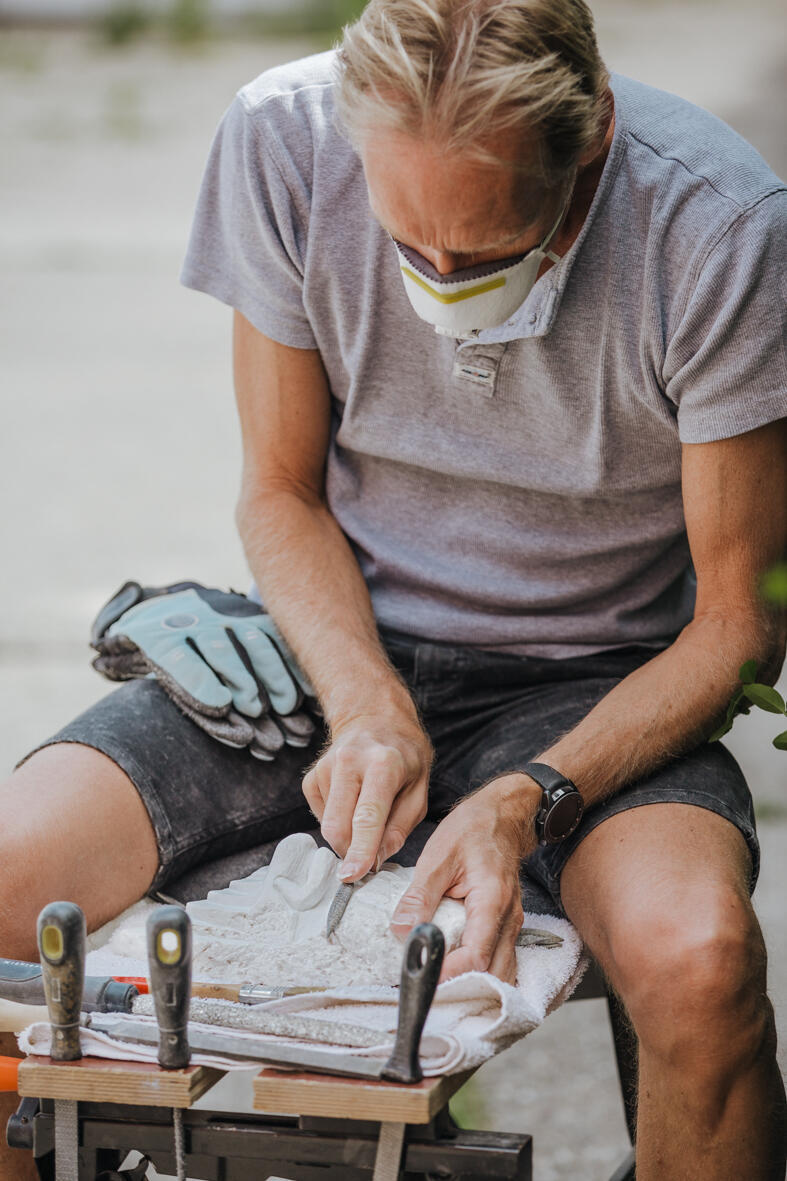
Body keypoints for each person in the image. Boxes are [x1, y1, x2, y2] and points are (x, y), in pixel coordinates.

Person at [2, 0, 785, 1175]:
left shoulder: (718, 227)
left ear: (593, 140)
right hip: (331, 657)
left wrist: (533, 794)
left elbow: (740, 627)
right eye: (404, 237)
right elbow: (280, 491)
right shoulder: (282, 138)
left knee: (702, 962)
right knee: (10, 885)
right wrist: (366, 703)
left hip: (600, 682)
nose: (437, 278)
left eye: (483, 250)